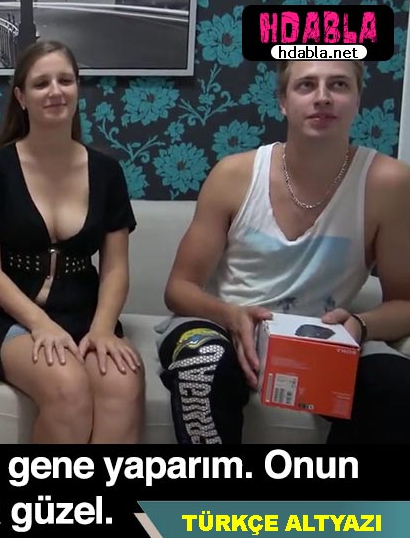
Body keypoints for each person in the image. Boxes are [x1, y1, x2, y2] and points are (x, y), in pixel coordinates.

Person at [158, 60, 410, 444]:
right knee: (203, 364)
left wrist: (360, 325)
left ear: (358, 99)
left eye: (339, 85)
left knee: (395, 384)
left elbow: (404, 303)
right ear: (283, 101)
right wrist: (231, 315)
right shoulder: (234, 175)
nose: (322, 97)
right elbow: (179, 288)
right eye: (306, 85)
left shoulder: (389, 183)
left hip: (323, 342)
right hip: (225, 328)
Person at [0, 40, 144, 444]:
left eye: (65, 80)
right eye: (41, 83)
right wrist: (41, 325)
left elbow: (115, 268)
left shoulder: (107, 172)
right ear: (21, 97)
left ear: (77, 88)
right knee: (68, 386)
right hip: (6, 316)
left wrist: (103, 329)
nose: (56, 91)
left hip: (84, 313)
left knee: (123, 383)